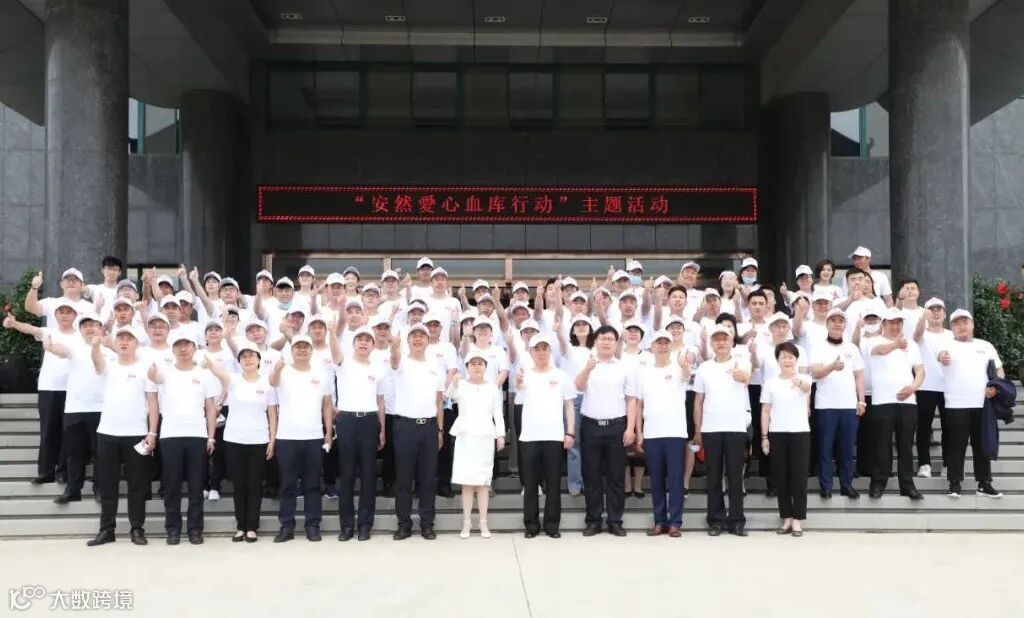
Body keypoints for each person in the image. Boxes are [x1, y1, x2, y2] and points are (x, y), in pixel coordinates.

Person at [145, 334, 220, 545]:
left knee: (196, 486)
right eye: (179, 345)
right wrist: (153, 432)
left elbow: (210, 408)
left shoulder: (204, 374)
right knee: (171, 486)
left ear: (194, 348)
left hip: (197, 435)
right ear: (173, 349)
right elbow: (154, 390)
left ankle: (195, 529)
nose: (183, 349)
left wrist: (211, 436)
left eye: (187, 344)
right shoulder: (164, 372)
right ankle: (173, 529)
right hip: (170, 435)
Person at [87, 325, 158, 546]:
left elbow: (153, 401)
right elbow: (97, 362)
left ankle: (137, 528)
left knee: (137, 485)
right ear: (115, 342)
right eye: (121, 339)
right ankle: (107, 530)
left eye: (129, 339)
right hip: (107, 433)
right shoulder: (108, 364)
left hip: (136, 434)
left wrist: (152, 432)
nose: (124, 342)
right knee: (107, 484)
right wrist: (95, 347)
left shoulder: (145, 368)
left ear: (137, 343)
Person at [2, 301, 78, 485]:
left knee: (68, 431)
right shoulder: (48, 332)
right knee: (48, 429)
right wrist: (14, 323)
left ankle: (62, 471)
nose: (64, 315)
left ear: (75, 315)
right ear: (56, 315)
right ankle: (46, 471)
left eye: (68, 312)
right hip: (49, 388)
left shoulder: (81, 335)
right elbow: (29, 329)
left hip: (74, 389)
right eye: (61, 312)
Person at [574, 325, 638, 537]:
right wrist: (587, 369)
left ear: (616, 342)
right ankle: (593, 521)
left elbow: (631, 400)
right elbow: (578, 386)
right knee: (591, 476)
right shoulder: (588, 364)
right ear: (595, 341)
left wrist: (630, 428)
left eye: (610, 339)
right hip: (591, 426)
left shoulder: (624, 368)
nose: (606, 342)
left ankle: (615, 520)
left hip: (616, 427)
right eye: (602, 338)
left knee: (616, 477)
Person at [269, 334, 333, 543]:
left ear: (311, 350)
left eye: (306, 347)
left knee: (313, 484)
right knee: (287, 484)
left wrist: (328, 431)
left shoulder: (321, 374)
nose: (302, 350)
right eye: (298, 347)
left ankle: (313, 525)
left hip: (313, 436)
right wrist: (276, 369)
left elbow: (327, 405)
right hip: (287, 437)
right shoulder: (283, 371)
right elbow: (272, 382)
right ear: (292, 350)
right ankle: (286, 526)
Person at [937, 310, 1004, 498]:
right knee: (956, 445)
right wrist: (943, 357)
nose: (961, 326)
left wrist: (997, 387)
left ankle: (984, 483)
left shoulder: (985, 346)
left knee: (982, 445)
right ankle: (954, 483)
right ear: (951, 327)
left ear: (972, 324)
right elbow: (941, 355)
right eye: (957, 323)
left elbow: (999, 369)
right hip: (955, 404)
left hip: (982, 404)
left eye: (965, 322)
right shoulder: (946, 344)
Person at [41, 313, 107, 504]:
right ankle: (73, 490)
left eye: (93, 324)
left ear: (100, 327)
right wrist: (48, 343)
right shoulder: (74, 348)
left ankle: (100, 488)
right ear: (80, 330)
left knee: (100, 453)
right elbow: (58, 349)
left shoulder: (110, 349)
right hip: (74, 408)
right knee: (74, 452)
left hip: (101, 408)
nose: (90, 328)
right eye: (85, 326)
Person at [693, 324, 752, 537]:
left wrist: (741, 375)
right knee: (714, 476)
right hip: (711, 428)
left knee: (735, 476)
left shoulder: (741, 361)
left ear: (731, 341)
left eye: (725, 338)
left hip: (735, 427)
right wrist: (698, 429)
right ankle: (716, 520)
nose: (721, 342)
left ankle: (737, 521)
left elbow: (746, 376)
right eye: (717, 339)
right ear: (711, 343)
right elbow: (698, 401)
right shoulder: (704, 368)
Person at [390, 323, 445, 540]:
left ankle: (427, 524)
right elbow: (394, 359)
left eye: (422, 335)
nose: (418, 339)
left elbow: (439, 401)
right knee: (404, 478)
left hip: (429, 426)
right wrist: (394, 347)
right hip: (405, 426)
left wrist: (440, 429)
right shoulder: (402, 361)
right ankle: (404, 524)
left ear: (428, 340)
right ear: (408, 340)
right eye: (413, 335)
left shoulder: (435, 366)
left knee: (428, 478)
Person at [517, 335, 575, 538]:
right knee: (530, 484)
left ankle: (552, 525)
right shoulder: (525, 375)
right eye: (537, 349)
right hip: (529, 437)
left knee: (553, 484)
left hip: (554, 436)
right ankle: (531, 525)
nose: (541, 353)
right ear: (531, 352)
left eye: (544, 348)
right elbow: (519, 397)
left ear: (550, 351)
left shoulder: (561, 375)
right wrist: (519, 384)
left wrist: (570, 432)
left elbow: (569, 405)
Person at [332, 327, 387, 542]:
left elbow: (380, 400)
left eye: (367, 340)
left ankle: (365, 525)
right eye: (360, 339)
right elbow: (334, 351)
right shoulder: (343, 363)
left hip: (369, 421)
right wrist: (331, 332)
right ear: (353, 343)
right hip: (347, 421)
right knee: (346, 475)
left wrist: (382, 428)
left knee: (368, 476)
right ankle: (346, 526)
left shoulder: (377, 368)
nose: (363, 343)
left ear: (373, 345)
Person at [636, 329, 691, 537]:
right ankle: (659, 521)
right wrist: (639, 432)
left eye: (666, 342)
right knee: (656, 480)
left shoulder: (679, 367)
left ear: (671, 345)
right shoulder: (644, 372)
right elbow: (639, 404)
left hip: (675, 432)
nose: (662, 346)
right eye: (658, 342)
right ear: (652, 347)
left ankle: (675, 521)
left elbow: (687, 376)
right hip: (652, 432)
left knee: (675, 480)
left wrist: (685, 366)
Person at [221, 343, 278, 542]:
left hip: (259, 439)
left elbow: (272, 413)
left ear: (259, 359)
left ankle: (252, 527)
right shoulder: (232, 380)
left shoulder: (267, 383)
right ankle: (240, 526)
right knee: (239, 485)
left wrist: (272, 440)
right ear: (238, 361)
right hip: (234, 439)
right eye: (244, 356)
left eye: (252, 355)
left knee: (255, 484)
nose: (248, 359)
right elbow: (217, 371)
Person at [867, 309, 924, 500]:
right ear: (883, 324)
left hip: (908, 401)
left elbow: (920, 370)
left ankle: (907, 485)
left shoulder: (912, 345)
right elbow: (879, 351)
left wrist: (913, 387)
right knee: (881, 445)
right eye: (891, 322)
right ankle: (878, 484)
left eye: (899, 322)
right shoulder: (873, 341)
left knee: (906, 445)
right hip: (882, 401)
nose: (895, 326)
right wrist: (896, 345)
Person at [448, 351, 506, 538]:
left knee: (483, 483)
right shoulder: (462, 385)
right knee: (467, 483)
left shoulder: (492, 387)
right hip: (465, 436)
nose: (476, 367)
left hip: (485, 436)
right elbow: (449, 395)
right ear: (467, 367)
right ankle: (466, 523)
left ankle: (483, 523)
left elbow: (497, 413)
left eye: (480, 363)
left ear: (485, 367)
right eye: (473, 364)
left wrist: (500, 435)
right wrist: (454, 381)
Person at [809, 309, 866, 498]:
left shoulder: (852, 348)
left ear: (845, 325)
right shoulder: (818, 346)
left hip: (849, 405)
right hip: (825, 405)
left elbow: (859, 375)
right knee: (825, 448)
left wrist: (861, 400)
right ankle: (826, 486)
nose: (837, 324)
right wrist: (832, 366)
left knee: (847, 448)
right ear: (827, 324)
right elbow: (815, 373)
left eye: (840, 321)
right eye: (832, 320)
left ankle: (846, 485)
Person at [760, 342, 812, 536]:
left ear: (796, 359)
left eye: (791, 357)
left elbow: (806, 388)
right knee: (781, 477)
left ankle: (798, 519)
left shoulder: (804, 378)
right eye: (784, 357)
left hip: (800, 432)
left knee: (799, 477)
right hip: (777, 433)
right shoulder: (771, 383)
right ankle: (786, 518)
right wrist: (765, 436)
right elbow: (765, 410)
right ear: (778, 360)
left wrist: (797, 382)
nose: (787, 360)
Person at [914, 298, 953, 478]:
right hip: (926, 386)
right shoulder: (922, 334)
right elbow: (916, 336)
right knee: (923, 427)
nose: (936, 313)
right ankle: (924, 464)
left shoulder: (952, 335)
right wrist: (922, 318)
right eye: (932, 310)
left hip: (949, 387)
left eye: (939, 310)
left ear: (944, 314)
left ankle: (948, 464)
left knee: (949, 428)